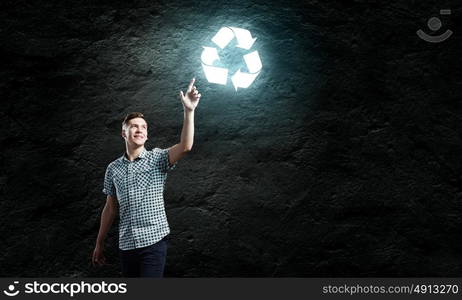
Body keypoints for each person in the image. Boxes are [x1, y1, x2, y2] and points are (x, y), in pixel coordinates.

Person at [92, 78, 201, 277]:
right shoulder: (113, 168)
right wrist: (99, 243)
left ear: (147, 135)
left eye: (143, 127)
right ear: (124, 133)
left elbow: (186, 146)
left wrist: (189, 111)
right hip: (126, 244)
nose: (139, 129)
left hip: (154, 241)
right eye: (134, 126)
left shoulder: (157, 158)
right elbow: (110, 208)